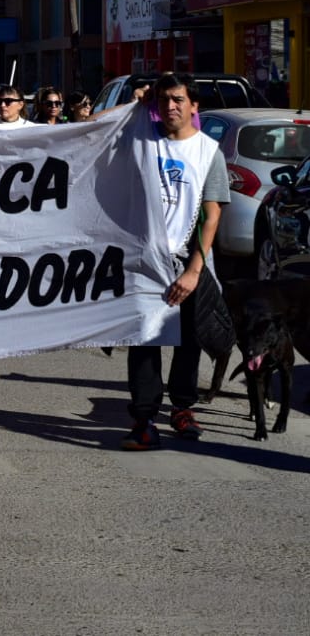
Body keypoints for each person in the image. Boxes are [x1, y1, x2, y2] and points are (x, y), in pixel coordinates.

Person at [115, 74, 229, 450]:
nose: (171, 107)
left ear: (194, 106)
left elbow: (212, 215)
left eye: (179, 100)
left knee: (188, 340)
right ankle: (145, 420)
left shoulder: (208, 151)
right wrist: (135, 104)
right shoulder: (142, 141)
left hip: (188, 259)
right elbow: (91, 130)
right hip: (146, 260)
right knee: (145, 339)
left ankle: (182, 408)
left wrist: (195, 270)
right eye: (163, 100)